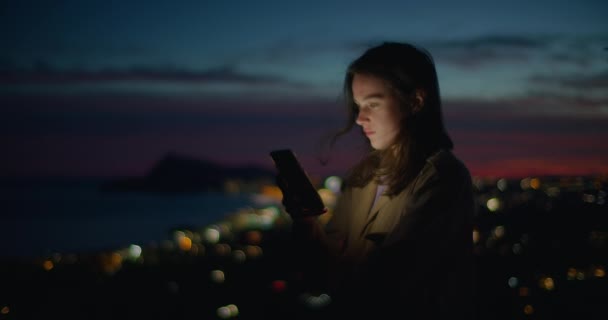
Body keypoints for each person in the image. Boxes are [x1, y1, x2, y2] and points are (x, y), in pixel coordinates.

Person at [277, 41, 477, 319]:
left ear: (415, 101)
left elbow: (390, 285)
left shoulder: (443, 178)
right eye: (358, 105)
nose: (360, 118)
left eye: (372, 103)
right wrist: (306, 221)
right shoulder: (363, 177)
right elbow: (322, 273)